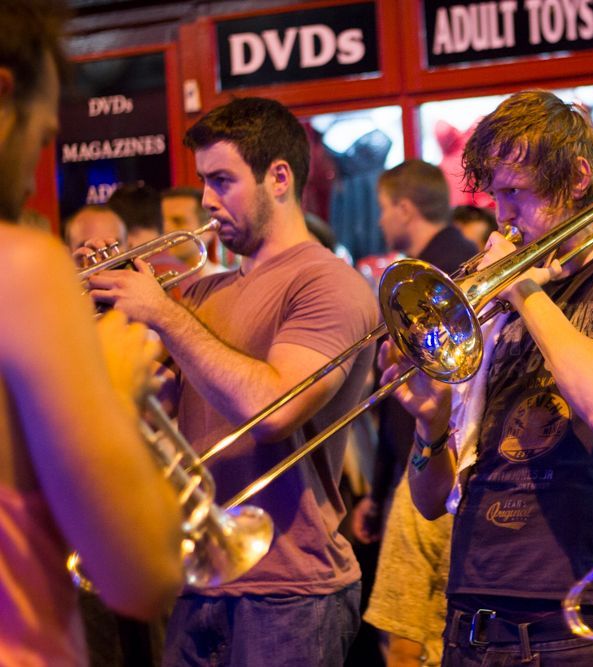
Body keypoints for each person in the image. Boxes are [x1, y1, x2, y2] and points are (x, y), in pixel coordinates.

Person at [381, 90, 593, 664]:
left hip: (574, 622)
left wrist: (521, 287)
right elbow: (430, 504)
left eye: (514, 193)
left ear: (578, 176)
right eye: (495, 194)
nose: (500, 216)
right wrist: (429, 428)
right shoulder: (506, 295)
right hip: (470, 620)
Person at [87, 96, 379, 665]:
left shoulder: (329, 284)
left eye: (222, 180)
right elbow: (134, 406)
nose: (205, 201)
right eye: (203, 181)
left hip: (289, 591)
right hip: (200, 580)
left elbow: (274, 410)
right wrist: (102, 310)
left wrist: (164, 315)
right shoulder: (203, 291)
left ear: (278, 178)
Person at [0, 1, 182, 663]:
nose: (32, 170)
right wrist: (113, 393)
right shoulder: (22, 270)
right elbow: (144, 574)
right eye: (41, 135)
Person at [359, 159, 478, 667]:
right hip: (424, 467)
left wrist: (388, 485)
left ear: (405, 209)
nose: (382, 221)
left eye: (385, 209)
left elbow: (421, 395)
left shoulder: (444, 270)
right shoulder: (440, 262)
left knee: (414, 634)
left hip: (438, 471)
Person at [161, 185, 225, 273]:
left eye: (178, 221)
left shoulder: (226, 283)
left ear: (208, 230)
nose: (165, 230)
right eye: (161, 222)